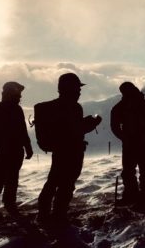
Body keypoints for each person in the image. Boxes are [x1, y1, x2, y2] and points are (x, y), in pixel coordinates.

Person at [36, 73, 102, 225]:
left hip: (61, 152)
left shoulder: (58, 107)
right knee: (65, 184)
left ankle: (44, 215)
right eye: (77, 88)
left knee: (53, 182)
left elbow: (72, 128)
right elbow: (76, 130)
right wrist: (93, 123)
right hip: (71, 152)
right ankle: (58, 215)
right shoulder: (73, 107)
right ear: (69, 89)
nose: (79, 92)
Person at [0, 81, 33, 214]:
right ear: (12, 93)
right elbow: (22, 131)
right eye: (18, 94)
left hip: (2, 150)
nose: (20, 97)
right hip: (13, 150)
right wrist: (28, 147)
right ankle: (8, 204)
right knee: (10, 178)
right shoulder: (15, 109)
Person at [110, 81, 145, 211]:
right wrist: (126, 138)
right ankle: (142, 199)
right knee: (137, 173)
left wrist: (127, 138)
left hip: (138, 144)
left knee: (140, 173)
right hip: (138, 144)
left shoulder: (122, 107)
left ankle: (143, 199)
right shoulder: (141, 105)